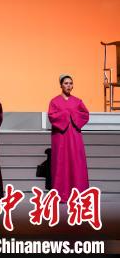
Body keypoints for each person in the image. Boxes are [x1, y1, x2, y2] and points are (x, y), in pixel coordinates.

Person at [48, 74, 90, 202]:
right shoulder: (54, 101)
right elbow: (52, 116)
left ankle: (78, 193)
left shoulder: (78, 101)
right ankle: (61, 193)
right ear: (61, 85)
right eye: (66, 83)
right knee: (61, 161)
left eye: (70, 83)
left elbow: (85, 114)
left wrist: (73, 115)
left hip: (74, 135)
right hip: (60, 136)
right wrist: (67, 114)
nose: (68, 85)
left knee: (76, 161)